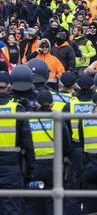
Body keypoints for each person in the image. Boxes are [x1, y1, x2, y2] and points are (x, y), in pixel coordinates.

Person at [26, 89, 72, 215]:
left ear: (37, 104)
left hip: (34, 166)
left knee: (33, 201)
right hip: (53, 166)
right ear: (52, 104)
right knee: (52, 201)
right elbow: (66, 144)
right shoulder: (57, 119)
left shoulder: (29, 118)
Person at [0, 67, 35, 214]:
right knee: (11, 207)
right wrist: (32, 169)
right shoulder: (17, 109)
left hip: (11, 166)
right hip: (11, 167)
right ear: (9, 87)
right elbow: (28, 142)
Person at [62, 74, 97, 215]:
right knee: (93, 186)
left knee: (74, 187)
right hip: (95, 150)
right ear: (93, 87)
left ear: (76, 87)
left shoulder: (71, 104)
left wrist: (68, 151)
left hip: (76, 150)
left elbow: (63, 130)